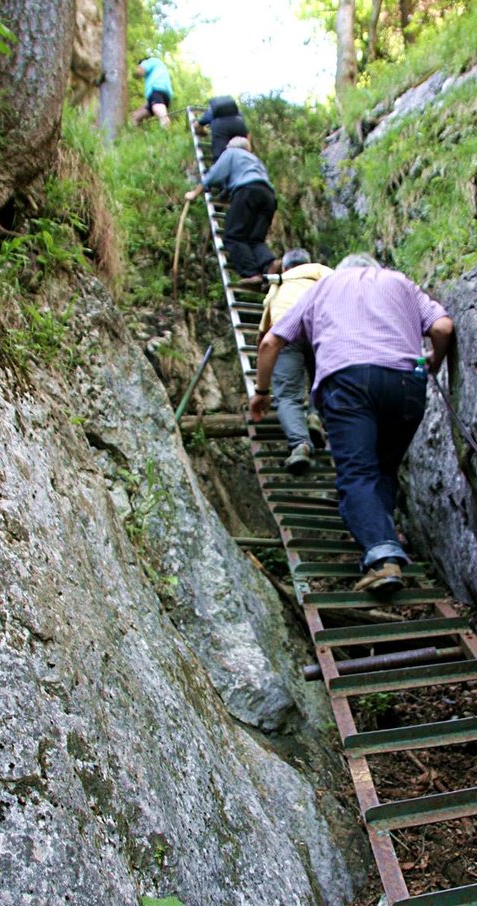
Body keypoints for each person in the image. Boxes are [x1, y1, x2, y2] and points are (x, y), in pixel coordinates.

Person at [250, 253, 454, 595]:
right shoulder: (401, 282)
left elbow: (271, 341)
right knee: (384, 469)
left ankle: (383, 558)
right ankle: (380, 531)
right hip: (406, 384)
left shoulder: (323, 288)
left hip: (348, 384)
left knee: (357, 473)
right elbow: (443, 327)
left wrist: (261, 391)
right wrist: (435, 360)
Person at [257, 249, 332, 474]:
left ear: (285, 268)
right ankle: (315, 416)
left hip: (286, 334)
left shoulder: (279, 284)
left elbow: (264, 334)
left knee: (288, 396)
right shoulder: (323, 272)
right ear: (309, 263)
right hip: (324, 329)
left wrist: (262, 384)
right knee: (324, 380)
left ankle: (300, 444)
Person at [184, 136, 280, 286]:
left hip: (248, 191)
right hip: (268, 196)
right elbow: (232, 187)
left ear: (231, 146)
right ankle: (270, 263)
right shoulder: (254, 160)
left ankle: (252, 274)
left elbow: (213, 176)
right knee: (255, 239)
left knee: (233, 235)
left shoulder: (231, 153)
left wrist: (194, 193)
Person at [194, 96, 249, 164]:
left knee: (220, 157)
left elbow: (197, 126)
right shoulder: (238, 112)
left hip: (220, 128)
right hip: (239, 125)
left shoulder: (211, 112)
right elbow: (247, 133)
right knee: (243, 154)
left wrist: (205, 132)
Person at [132, 55, 172, 129]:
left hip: (158, 89)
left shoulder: (150, 61)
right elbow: (149, 101)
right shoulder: (153, 73)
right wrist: (137, 111)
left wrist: (132, 72)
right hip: (159, 94)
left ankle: (166, 127)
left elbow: (140, 71)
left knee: (158, 109)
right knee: (137, 117)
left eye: (139, 66)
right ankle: (137, 138)